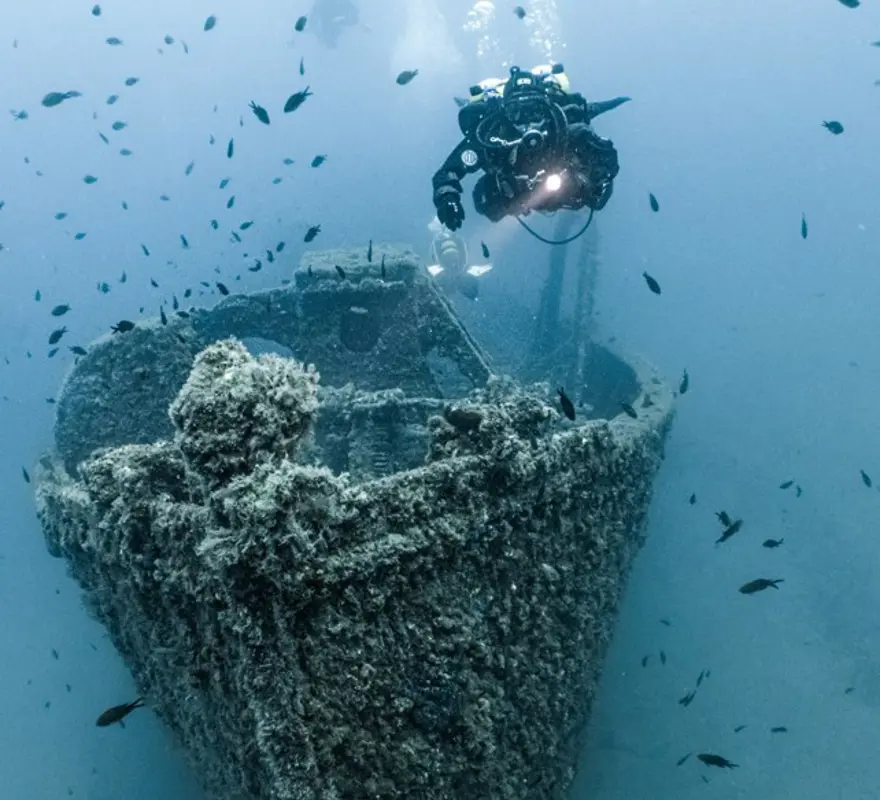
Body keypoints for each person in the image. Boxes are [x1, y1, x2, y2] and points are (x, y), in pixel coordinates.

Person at [431, 64, 629, 231]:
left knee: (595, 200)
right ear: (505, 114)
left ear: (548, 109)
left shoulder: (564, 126)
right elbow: (448, 172)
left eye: (535, 113)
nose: (528, 124)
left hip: (563, 186)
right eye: (518, 114)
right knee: (486, 203)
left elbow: (606, 164)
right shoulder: (492, 135)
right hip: (516, 194)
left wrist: (600, 171)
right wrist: (447, 199)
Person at [425, 216, 492, 300]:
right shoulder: (450, 239)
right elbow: (463, 249)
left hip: (451, 266)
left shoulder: (440, 239)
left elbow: (435, 252)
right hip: (454, 266)